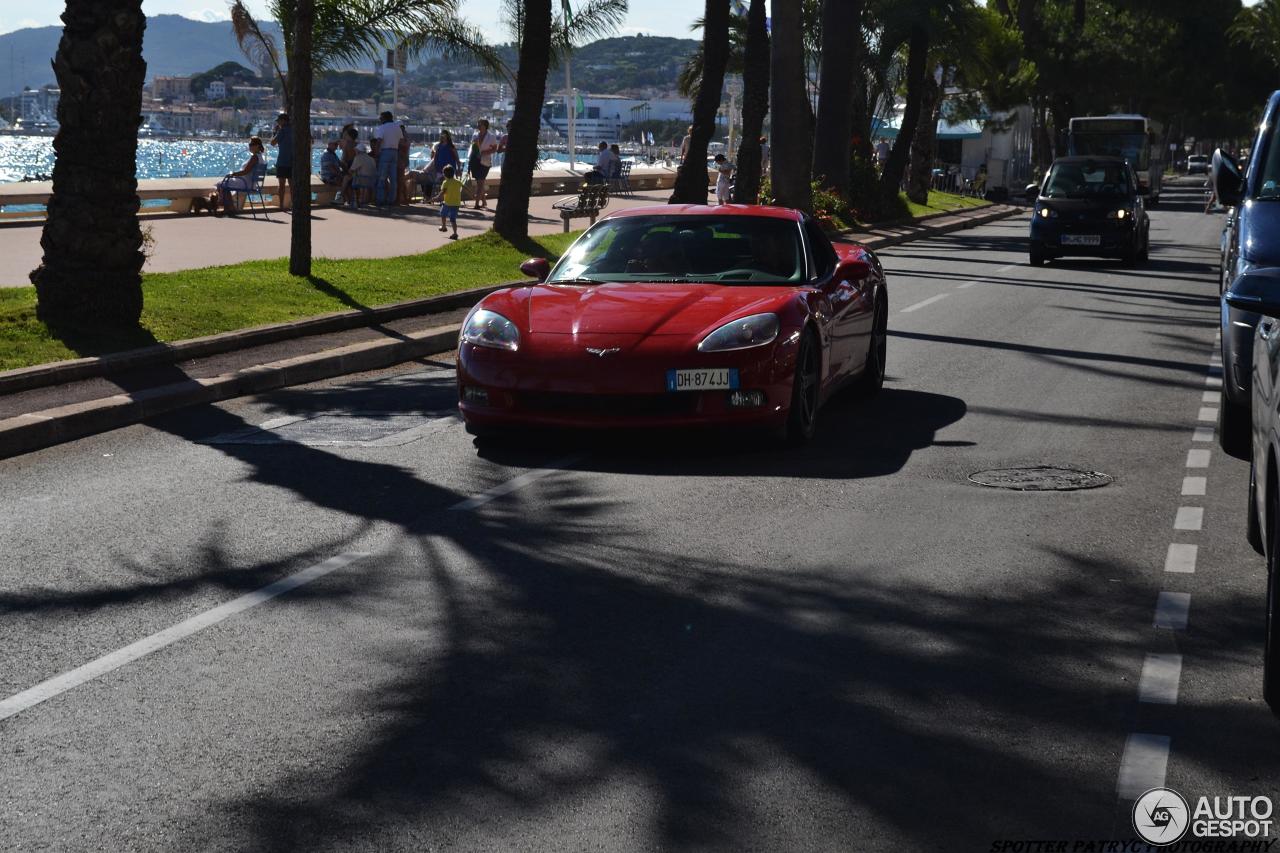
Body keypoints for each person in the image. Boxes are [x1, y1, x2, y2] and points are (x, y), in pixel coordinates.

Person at [215, 136, 265, 214]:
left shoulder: (255, 157)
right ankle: (230, 208)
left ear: (257, 146)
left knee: (221, 184)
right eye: (249, 144)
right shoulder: (260, 157)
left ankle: (229, 208)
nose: (249, 146)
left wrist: (233, 174)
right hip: (251, 183)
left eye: (251, 144)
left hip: (245, 183)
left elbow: (245, 171)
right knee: (224, 183)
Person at [370, 110, 403, 206]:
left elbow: (379, 140)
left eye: (381, 117)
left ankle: (380, 199)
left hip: (385, 152)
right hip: (395, 152)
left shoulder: (382, 127)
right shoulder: (397, 127)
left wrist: (376, 152)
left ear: (384, 118)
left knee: (382, 177)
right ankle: (391, 200)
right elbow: (400, 141)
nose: (380, 119)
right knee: (393, 178)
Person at [468, 118, 499, 209]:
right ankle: (484, 202)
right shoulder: (475, 135)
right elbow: (473, 148)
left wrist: (485, 152)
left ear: (485, 126)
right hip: (475, 161)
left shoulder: (491, 136)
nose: (478, 126)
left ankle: (477, 204)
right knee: (479, 182)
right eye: (478, 124)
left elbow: (494, 149)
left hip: (485, 162)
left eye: (480, 124)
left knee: (481, 183)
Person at [432, 163, 463, 239]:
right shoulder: (458, 181)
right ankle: (455, 233)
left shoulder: (445, 182)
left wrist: (437, 197)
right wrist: (472, 195)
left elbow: (443, 191)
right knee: (453, 219)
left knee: (443, 214)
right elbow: (464, 187)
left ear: (444, 175)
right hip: (456, 204)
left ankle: (444, 226)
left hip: (448, 203)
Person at [270, 112, 292, 211]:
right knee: (292, 185)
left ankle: (281, 205)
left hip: (283, 161)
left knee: (282, 185)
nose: (278, 123)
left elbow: (272, 143)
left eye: (279, 121)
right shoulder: (294, 130)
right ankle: (293, 204)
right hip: (293, 161)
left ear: (283, 121)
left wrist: (275, 132)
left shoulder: (282, 131)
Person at [344, 142, 377, 208]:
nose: (355, 151)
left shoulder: (358, 157)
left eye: (356, 150)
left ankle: (348, 198)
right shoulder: (371, 158)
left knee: (347, 178)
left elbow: (351, 170)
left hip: (362, 180)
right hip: (372, 180)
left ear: (358, 151)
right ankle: (359, 200)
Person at [396, 122, 412, 204]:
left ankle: (401, 198)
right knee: (401, 180)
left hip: (401, 160)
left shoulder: (402, 136)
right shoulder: (406, 135)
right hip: (404, 160)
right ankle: (404, 198)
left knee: (400, 180)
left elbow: (403, 146)